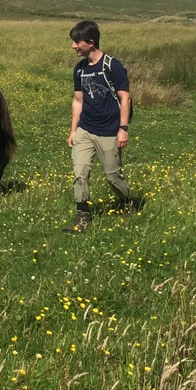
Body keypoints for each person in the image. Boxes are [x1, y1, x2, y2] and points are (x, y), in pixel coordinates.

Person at [65, 19, 132, 233]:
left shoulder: (112, 66)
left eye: (77, 42)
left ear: (91, 42)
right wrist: (74, 131)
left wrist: (123, 129)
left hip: (109, 131)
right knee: (80, 172)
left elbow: (125, 99)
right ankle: (83, 214)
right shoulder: (80, 69)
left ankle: (127, 201)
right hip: (85, 130)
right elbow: (78, 101)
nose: (74, 46)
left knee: (113, 176)